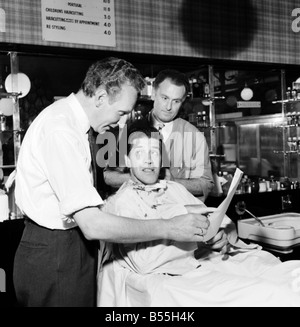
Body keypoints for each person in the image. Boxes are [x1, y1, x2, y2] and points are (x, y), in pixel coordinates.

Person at [13, 57, 211, 307]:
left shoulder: (72, 125)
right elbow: (93, 225)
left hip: (69, 247)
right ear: (100, 97)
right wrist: (169, 227)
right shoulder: (60, 131)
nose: (120, 123)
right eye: (120, 113)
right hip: (55, 254)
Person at [97, 124, 300, 307]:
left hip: (208, 260)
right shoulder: (123, 201)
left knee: (288, 275)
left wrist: (220, 234)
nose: (149, 160)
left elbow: (218, 221)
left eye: (155, 153)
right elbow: (144, 262)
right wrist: (196, 239)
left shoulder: (173, 188)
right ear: (126, 159)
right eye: (140, 153)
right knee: (270, 294)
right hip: (181, 275)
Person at [103, 69, 214, 202]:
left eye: (176, 101)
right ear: (154, 94)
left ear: (183, 101)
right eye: (165, 98)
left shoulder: (194, 135)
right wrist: (147, 177)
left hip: (178, 214)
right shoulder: (130, 130)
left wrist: (172, 181)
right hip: (137, 215)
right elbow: (109, 176)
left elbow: (206, 184)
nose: (168, 107)